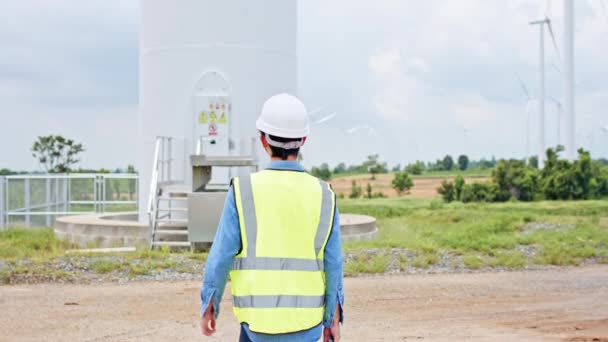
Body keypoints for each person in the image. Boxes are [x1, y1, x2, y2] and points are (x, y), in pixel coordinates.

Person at [200, 93, 344, 342]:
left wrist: (209, 303)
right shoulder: (324, 194)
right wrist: (331, 318)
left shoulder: (243, 190)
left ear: (263, 139)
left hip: (257, 326)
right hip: (307, 325)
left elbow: (221, 254)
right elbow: (334, 263)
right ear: (304, 139)